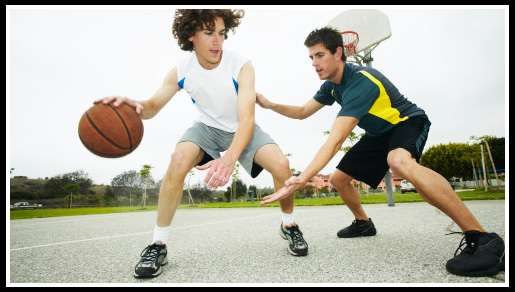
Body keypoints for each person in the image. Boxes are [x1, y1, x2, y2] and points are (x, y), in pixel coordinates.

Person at [256, 27, 504, 277]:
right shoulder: (331, 86)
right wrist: (269, 104)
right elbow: (302, 112)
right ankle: (363, 224)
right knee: (338, 180)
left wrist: (301, 177)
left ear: (338, 52)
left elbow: (335, 139)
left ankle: (483, 238)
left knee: (398, 161)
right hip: (378, 134)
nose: (314, 63)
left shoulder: (362, 82)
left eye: (319, 55)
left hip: (406, 122)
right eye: (311, 57)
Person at [96, 9, 308, 279]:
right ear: (190, 36)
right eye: (208, 33)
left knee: (282, 164)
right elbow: (151, 108)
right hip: (207, 127)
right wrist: (133, 106)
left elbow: (246, 120)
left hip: (241, 128)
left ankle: (289, 225)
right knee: (177, 159)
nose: (217, 41)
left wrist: (229, 158)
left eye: (221, 33)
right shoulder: (182, 70)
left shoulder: (241, 66)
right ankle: (158, 244)